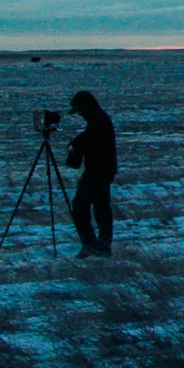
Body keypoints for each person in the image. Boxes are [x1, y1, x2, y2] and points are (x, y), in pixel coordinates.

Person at [61, 90, 118, 256]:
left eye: (79, 110)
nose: (79, 114)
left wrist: (75, 144)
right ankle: (99, 243)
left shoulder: (99, 121)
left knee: (83, 205)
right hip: (100, 169)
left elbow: (90, 138)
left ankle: (94, 242)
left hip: (99, 170)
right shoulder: (98, 119)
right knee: (99, 205)